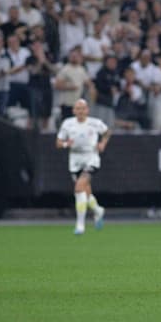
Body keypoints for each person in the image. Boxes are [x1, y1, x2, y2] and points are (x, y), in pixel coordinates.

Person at [56, 99, 110, 235]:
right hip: (75, 160)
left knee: (79, 187)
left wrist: (103, 143)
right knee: (85, 192)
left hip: (91, 158)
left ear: (87, 110)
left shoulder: (95, 123)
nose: (80, 111)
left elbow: (107, 132)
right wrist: (66, 144)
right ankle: (98, 210)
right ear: (74, 110)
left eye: (83, 108)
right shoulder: (68, 124)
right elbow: (58, 143)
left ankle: (80, 225)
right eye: (78, 109)